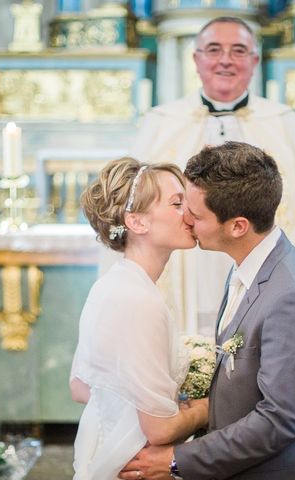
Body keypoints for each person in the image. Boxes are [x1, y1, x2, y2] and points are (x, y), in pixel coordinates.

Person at [130, 16, 295, 480]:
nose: (225, 60)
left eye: (238, 50)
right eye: (214, 49)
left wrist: (178, 458)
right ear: (196, 59)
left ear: (255, 61)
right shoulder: (162, 123)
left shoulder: (283, 125)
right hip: (202, 285)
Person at [120, 141, 295, 480]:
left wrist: (177, 460)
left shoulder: (294, 298)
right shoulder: (249, 267)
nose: (186, 220)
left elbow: (278, 421)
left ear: (238, 226)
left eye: (195, 213)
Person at [68, 158, 209, 480]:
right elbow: (159, 430)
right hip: (134, 463)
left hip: (112, 451)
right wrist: (204, 408)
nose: (190, 212)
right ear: (137, 222)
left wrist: (135, 407)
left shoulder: (113, 284)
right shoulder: (139, 300)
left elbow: (80, 386)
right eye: (177, 203)